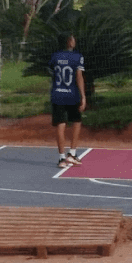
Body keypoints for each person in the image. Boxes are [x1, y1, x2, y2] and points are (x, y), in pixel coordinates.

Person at [49, 33, 86, 168]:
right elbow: (79, 77)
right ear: (70, 42)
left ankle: (61, 158)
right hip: (72, 94)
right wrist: (83, 96)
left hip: (57, 94)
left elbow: (52, 73)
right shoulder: (77, 56)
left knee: (60, 124)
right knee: (76, 121)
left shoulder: (55, 56)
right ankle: (72, 154)